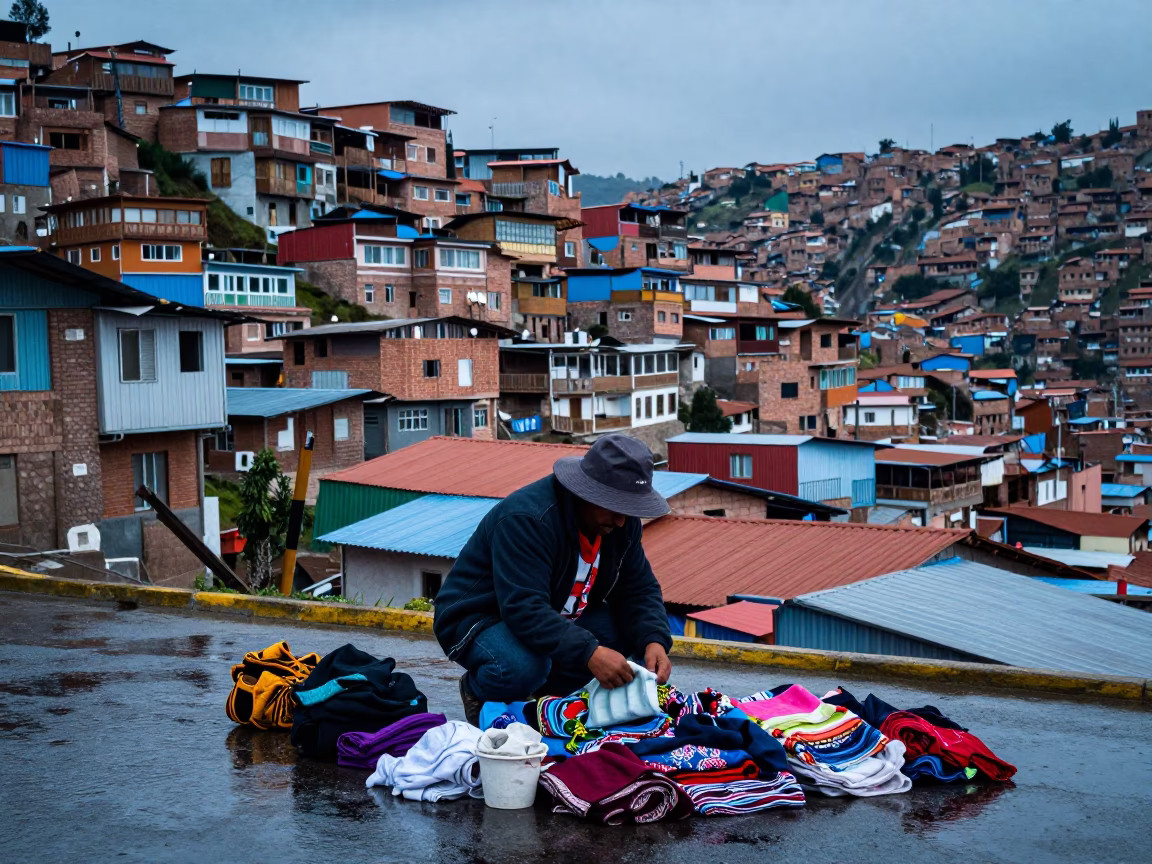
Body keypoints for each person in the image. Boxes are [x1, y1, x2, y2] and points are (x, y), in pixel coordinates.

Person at [433, 435, 674, 725]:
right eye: (614, 508)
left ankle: (537, 701)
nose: (621, 521)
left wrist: (654, 640)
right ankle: (481, 691)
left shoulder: (620, 524)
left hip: (550, 609)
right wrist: (588, 653)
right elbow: (523, 607)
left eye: (628, 510)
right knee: (522, 667)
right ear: (587, 493)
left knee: (623, 639)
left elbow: (639, 588)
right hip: (481, 617)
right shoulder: (529, 519)